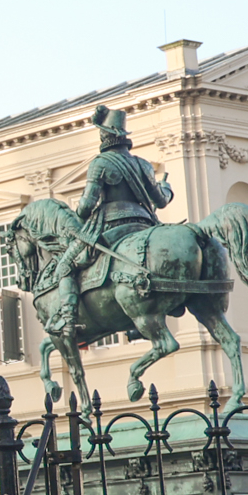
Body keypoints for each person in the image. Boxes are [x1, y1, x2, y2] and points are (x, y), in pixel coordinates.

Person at [43, 104, 175, 334]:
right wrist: (167, 188)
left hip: (111, 225)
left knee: (64, 265)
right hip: (144, 223)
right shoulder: (143, 164)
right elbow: (161, 201)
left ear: (106, 135)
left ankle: (69, 319)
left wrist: (77, 215)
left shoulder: (100, 163)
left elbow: (86, 205)